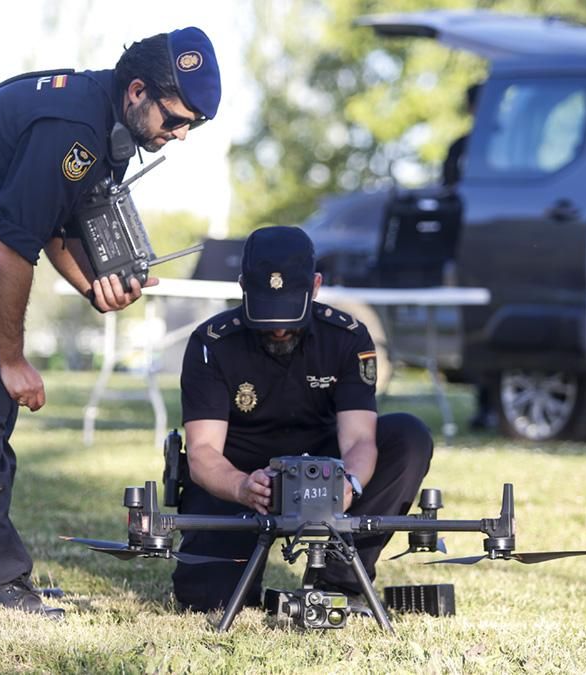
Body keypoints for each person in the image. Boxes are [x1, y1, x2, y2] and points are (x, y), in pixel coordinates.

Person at [0, 27, 221, 619]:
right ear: (138, 91)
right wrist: (12, 361)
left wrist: (94, 286)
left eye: (194, 125)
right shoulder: (74, 128)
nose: (180, 134)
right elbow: (13, 246)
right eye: (176, 118)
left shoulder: (106, 121)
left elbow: (53, 227)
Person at [172, 226, 434, 613]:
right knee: (211, 601)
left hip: (324, 466)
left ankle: (340, 578)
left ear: (315, 286)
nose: (278, 328)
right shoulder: (212, 343)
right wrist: (242, 486)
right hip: (239, 474)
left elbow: (360, 440)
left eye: (289, 311)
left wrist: (349, 484)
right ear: (243, 287)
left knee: (408, 435)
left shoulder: (347, 338)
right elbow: (203, 451)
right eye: (266, 312)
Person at [440, 83, 494, 431]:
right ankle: (483, 402)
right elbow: (447, 194)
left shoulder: (510, 147)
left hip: (501, 246)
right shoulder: (461, 149)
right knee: (474, 326)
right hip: (469, 249)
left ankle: (495, 400)